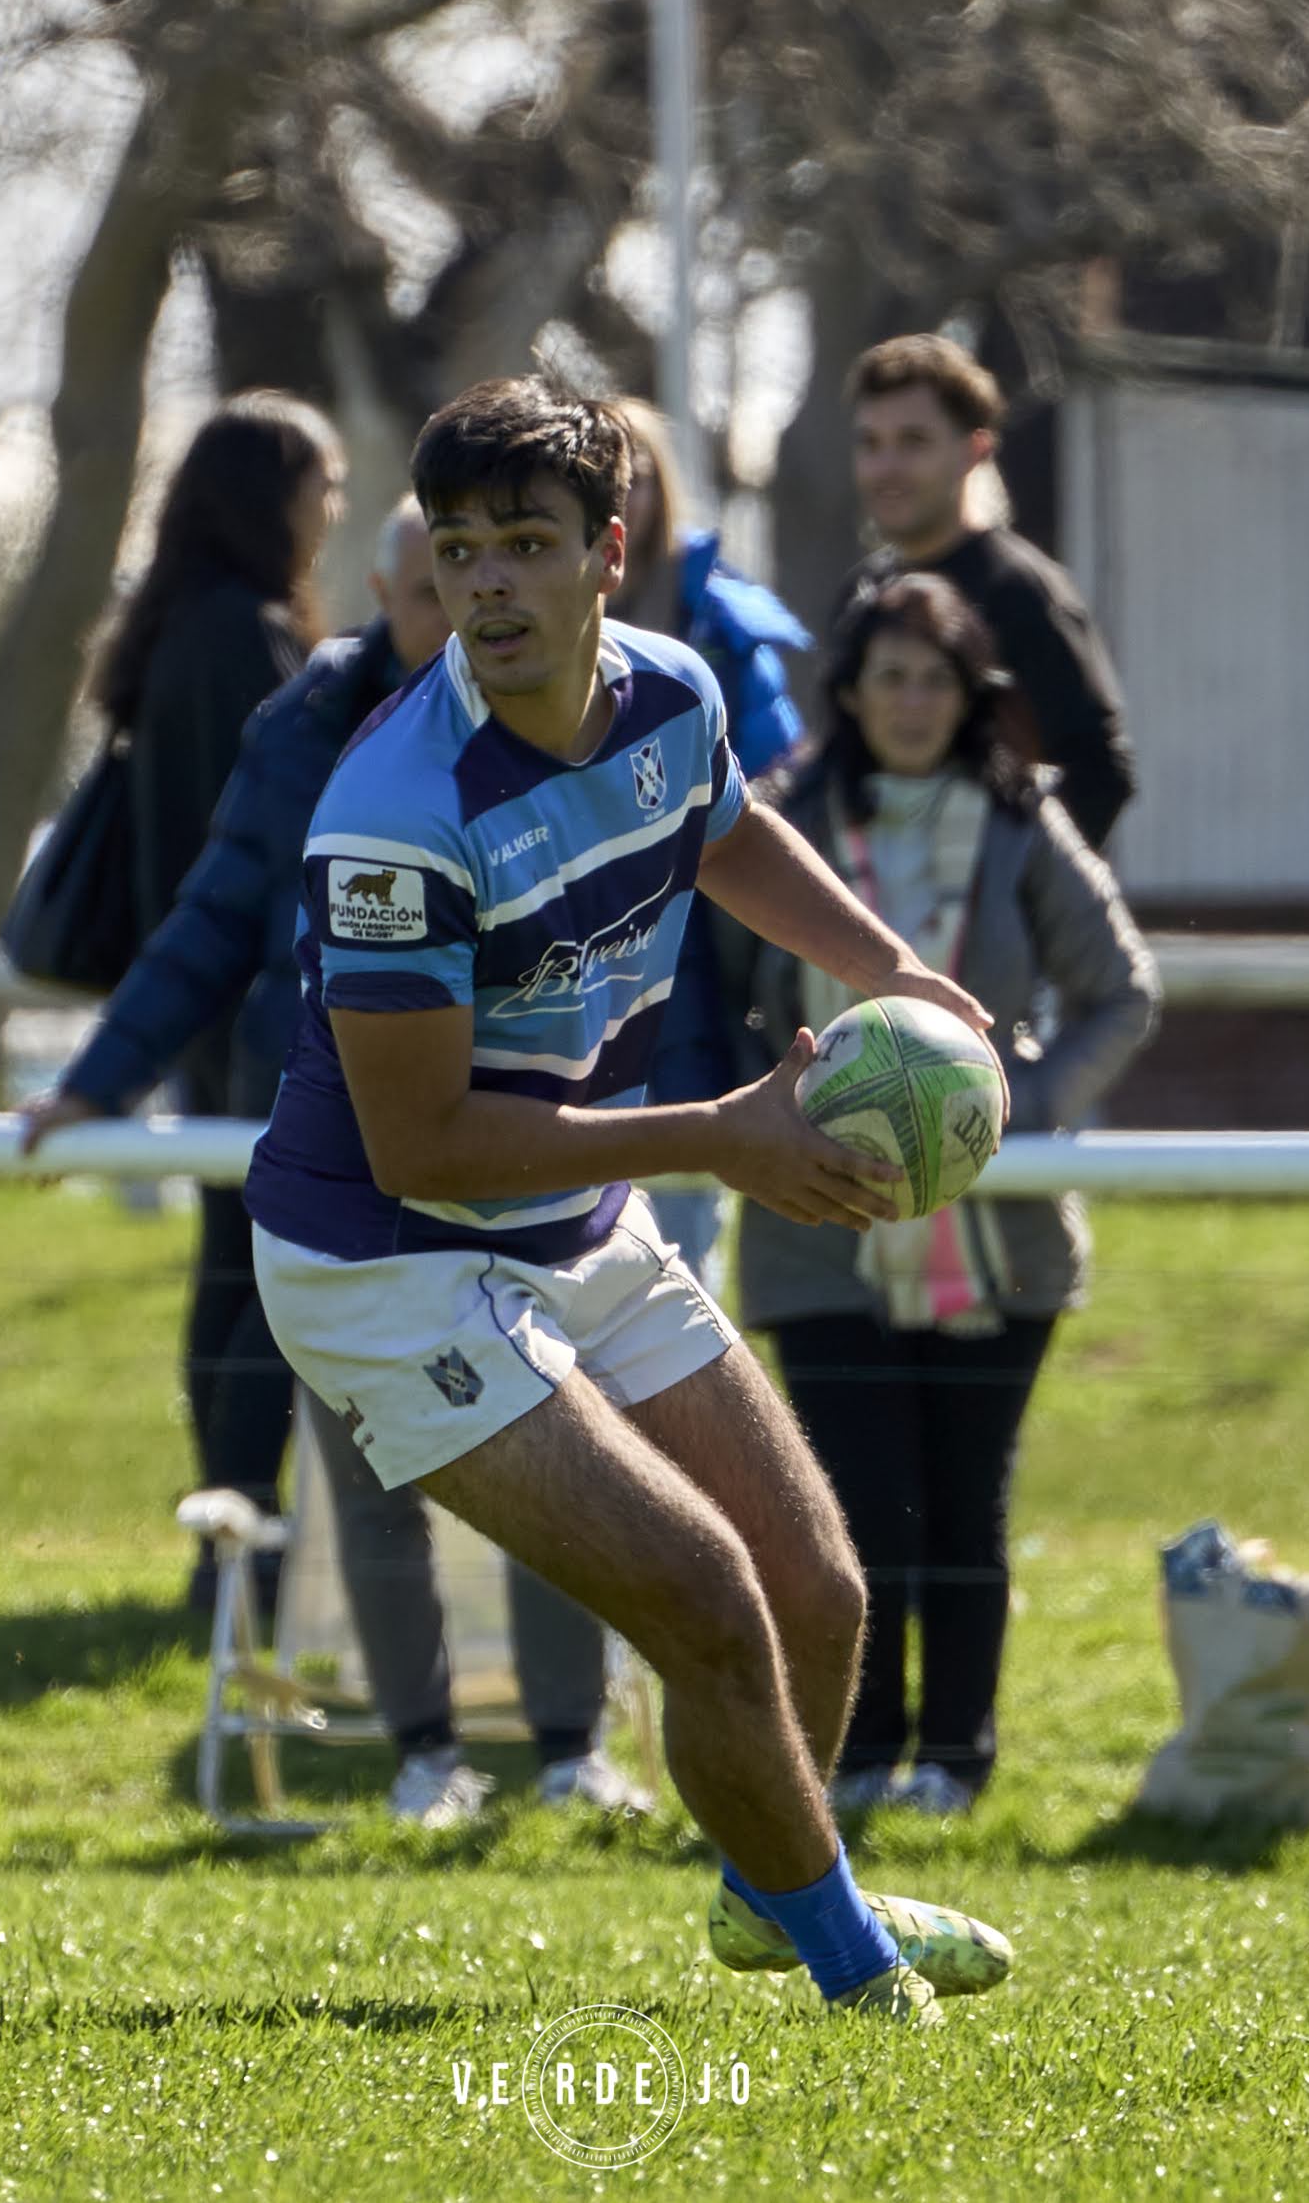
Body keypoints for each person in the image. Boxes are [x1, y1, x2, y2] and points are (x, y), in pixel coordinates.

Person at [243, 376, 1011, 2020]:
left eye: (525, 545)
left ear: (610, 552)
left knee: (815, 1590)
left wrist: (889, 970)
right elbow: (424, 1149)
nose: (487, 587)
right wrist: (721, 1134)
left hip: (566, 1213)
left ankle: (767, 1891)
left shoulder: (667, 692)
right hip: (387, 1262)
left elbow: (719, 830)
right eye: (457, 554)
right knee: (704, 1597)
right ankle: (854, 1966)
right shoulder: (392, 816)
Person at [23, 501, 648, 1821]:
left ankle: (571, 1754)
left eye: (492, 573)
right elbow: (213, 913)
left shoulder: (582, 714)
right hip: (343, 1160)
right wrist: (96, 1079)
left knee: (563, 1465)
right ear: (380, 596)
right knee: (369, 1471)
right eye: (431, 587)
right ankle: (424, 1755)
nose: (464, 611)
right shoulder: (308, 729)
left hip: (525, 1149)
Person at [725, 572, 1157, 1816]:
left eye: (939, 677)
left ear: (975, 694)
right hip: (817, 1225)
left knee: (966, 1510)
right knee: (854, 1514)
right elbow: (707, 997)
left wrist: (1011, 1107)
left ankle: (956, 1764)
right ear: (849, 691)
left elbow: (1121, 992)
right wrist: (760, 1113)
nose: (913, 701)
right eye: (891, 675)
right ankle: (859, 1759)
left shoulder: (1024, 824)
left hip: (1003, 1242)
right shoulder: (775, 819)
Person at [81, 392, 347, 1620]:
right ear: (273, 497)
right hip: (253, 1004)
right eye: (322, 483)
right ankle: (240, 1535)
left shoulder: (174, 631)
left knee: (227, 1265)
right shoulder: (242, 641)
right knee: (258, 1277)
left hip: (203, 1004)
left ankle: (230, 1531)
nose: (333, 509)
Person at [606, 397, 814, 1285]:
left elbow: (770, 792)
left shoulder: (720, 628)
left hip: (700, 959)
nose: (629, 491)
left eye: (642, 471)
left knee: (679, 1251)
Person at [833, 334, 1136, 849]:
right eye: (870, 443)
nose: (886, 468)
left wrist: (1011, 890)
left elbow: (1101, 771)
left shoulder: (1021, 591)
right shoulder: (862, 595)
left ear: (974, 450)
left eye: (913, 442)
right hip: (879, 912)